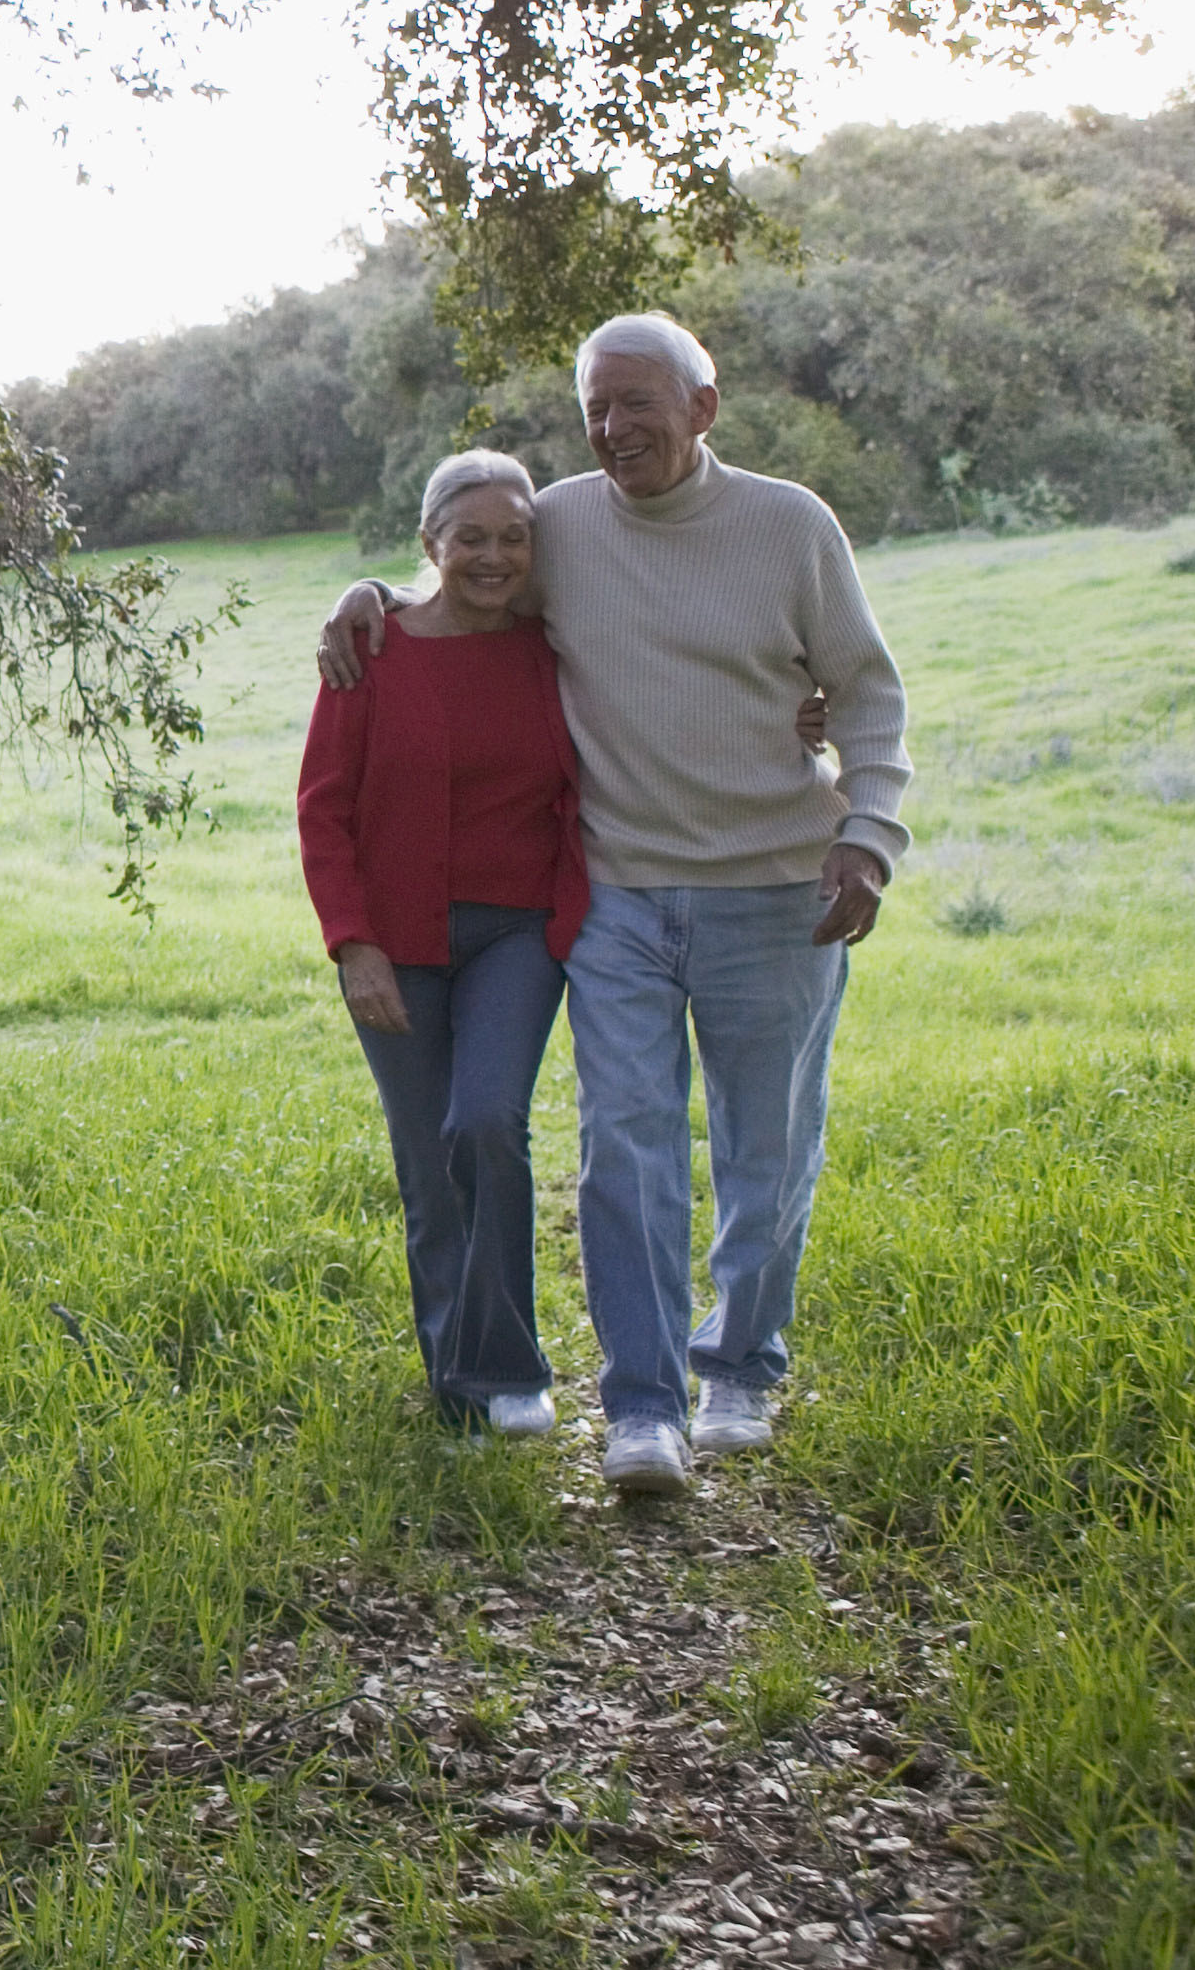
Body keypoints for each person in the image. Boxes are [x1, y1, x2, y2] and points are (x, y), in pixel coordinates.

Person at [323, 313, 912, 1499]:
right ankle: (642, 1405)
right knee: (624, 1144)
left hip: (775, 890)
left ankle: (740, 1366)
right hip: (621, 892)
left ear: (704, 405)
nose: (614, 424)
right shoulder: (568, 526)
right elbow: (465, 580)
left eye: (639, 400)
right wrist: (367, 592)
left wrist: (868, 837)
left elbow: (865, 689)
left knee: (766, 1145)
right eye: (597, 403)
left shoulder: (790, 523)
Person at [300, 448, 585, 1437]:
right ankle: (458, 1389)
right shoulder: (370, 650)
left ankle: (511, 1368)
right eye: (473, 537)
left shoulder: (553, 647)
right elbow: (323, 811)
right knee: (429, 1162)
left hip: (519, 931)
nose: (495, 555)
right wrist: (352, 943)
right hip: (397, 939)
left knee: (486, 1123)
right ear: (432, 543)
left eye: (515, 536)